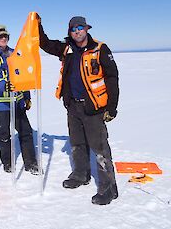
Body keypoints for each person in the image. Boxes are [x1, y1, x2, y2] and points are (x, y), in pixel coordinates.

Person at [38, 16, 119, 205]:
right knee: (77, 144)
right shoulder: (66, 49)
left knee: (100, 149)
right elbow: (45, 44)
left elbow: (112, 78)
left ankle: (109, 188)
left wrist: (112, 107)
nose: (77, 32)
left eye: (80, 28)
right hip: (73, 106)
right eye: (73, 29)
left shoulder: (99, 49)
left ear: (87, 29)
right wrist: (38, 25)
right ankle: (81, 175)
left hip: (93, 108)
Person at [0, 24, 38, 175]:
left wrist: (26, 97)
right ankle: (7, 162)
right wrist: (3, 85)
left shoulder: (15, 53)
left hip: (17, 102)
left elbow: (23, 77)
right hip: (1, 104)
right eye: (0, 37)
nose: (3, 39)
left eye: (5, 36)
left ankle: (31, 163)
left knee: (26, 131)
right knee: (4, 134)